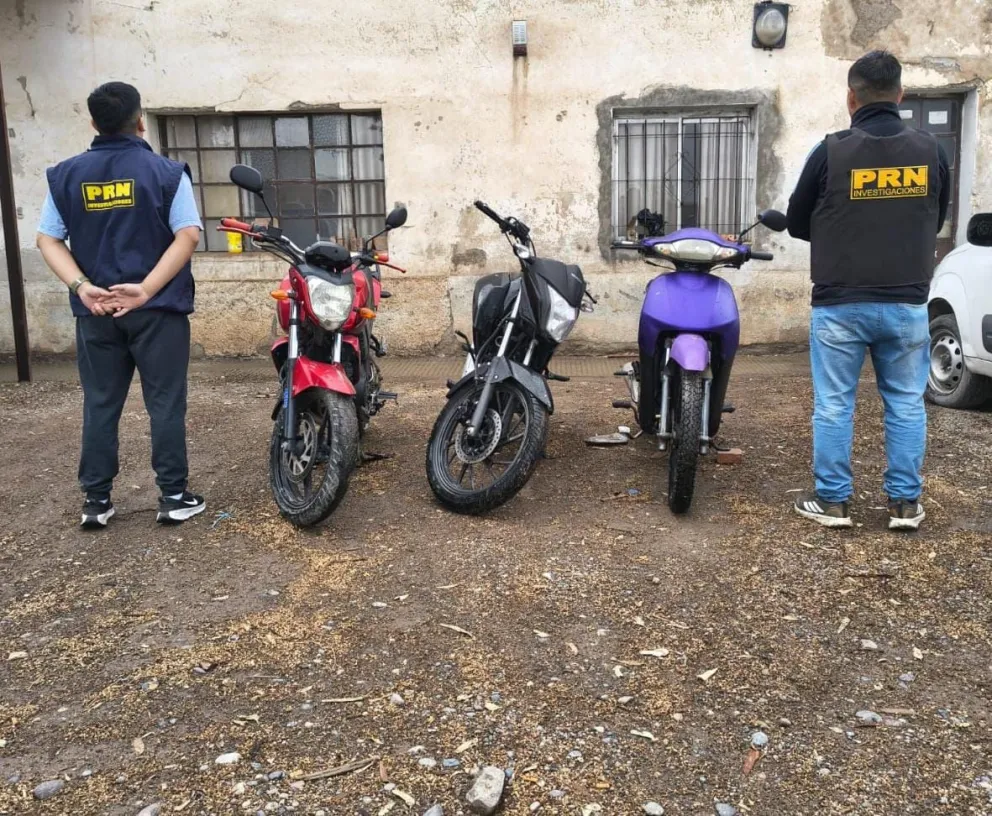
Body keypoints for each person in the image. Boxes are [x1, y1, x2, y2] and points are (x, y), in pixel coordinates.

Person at [786, 51, 949, 532]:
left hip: (840, 304)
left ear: (851, 98)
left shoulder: (830, 151)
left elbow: (796, 222)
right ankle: (905, 505)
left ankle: (833, 502)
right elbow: (935, 217)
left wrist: (839, 229)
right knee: (906, 403)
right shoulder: (932, 151)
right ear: (900, 95)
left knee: (835, 404)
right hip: (906, 303)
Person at [36, 82, 206, 529]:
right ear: (140, 121)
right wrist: (146, 290)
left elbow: (47, 239)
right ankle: (173, 497)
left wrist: (81, 286)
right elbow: (188, 234)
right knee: (165, 403)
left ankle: (96, 502)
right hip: (158, 312)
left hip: (96, 312)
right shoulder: (167, 174)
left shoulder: (65, 175)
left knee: (100, 403)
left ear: (93, 123)